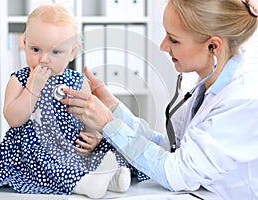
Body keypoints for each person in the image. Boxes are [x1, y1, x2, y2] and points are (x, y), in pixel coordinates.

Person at [61, 0, 258, 199]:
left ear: (212, 46)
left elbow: (178, 173)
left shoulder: (243, 98)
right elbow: (169, 148)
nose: (163, 46)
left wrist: (108, 125)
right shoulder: (208, 85)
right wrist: (113, 108)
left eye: (173, 39)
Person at [0, 4, 148, 199]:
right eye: (35, 49)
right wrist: (33, 87)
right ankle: (84, 184)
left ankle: (112, 177)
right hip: (35, 151)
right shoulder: (20, 80)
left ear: (72, 52)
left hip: (74, 148)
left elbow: (89, 117)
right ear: (24, 43)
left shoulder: (78, 82)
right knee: (48, 154)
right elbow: (13, 118)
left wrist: (93, 137)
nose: (43, 59)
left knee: (112, 143)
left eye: (55, 52)